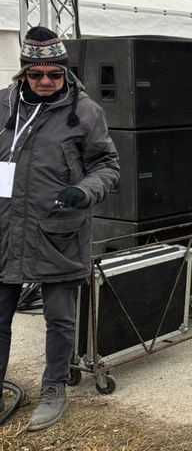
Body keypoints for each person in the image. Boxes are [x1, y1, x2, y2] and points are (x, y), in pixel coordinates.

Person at [0, 27, 119, 430]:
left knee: (59, 317)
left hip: (58, 229)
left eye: (55, 73)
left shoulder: (85, 112)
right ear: (24, 73)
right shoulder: (3, 105)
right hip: (5, 229)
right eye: (36, 74)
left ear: (65, 72)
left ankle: (54, 386)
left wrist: (84, 191)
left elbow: (108, 165)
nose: (46, 81)